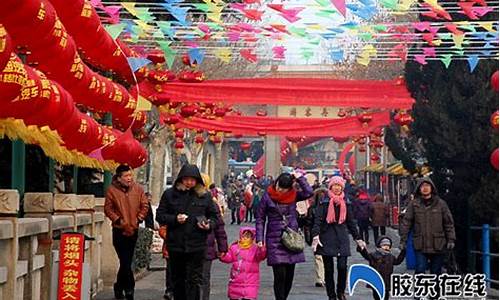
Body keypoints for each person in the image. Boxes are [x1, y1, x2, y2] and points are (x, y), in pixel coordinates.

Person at [156, 164, 219, 300]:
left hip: (197, 245)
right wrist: (175, 219)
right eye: (186, 179)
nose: (189, 183)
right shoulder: (170, 194)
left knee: (194, 280)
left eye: (192, 180)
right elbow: (160, 216)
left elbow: (215, 217)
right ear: (181, 179)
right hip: (176, 244)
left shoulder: (205, 196)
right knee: (177, 279)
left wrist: (208, 225)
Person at [255, 171, 313, 300]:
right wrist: (259, 238)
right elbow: (260, 218)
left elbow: (309, 192)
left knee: (289, 275)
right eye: (278, 186)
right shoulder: (267, 196)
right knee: (279, 275)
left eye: (283, 188)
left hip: (291, 238)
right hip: (274, 239)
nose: (280, 190)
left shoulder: (294, 195)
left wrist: (300, 178)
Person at [311, 176, 365, 300]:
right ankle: (331, 295)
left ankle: (341, 291)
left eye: (339, 186)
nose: (336, 188)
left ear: (342, 187)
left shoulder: (346, 202)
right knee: (328, 269)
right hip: (326, 236)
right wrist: (315, 235)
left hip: (342, 237)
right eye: (334, 185)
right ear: (330, 187)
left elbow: (351, 222)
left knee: (342, 266)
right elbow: (318, 220)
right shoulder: (324, 202)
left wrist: (358, 238)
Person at [104, 165, 149, 300]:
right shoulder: (112, 190)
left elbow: (144, 205)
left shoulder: (138, 189)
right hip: (119, 230)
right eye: (126, 176)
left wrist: (139, 218)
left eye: (130, 175)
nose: (129, 178)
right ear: (119, 178)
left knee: (126, 262)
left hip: (133, 229)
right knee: (125, 261)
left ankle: (120, 287)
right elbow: (108, 209)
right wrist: (118, 220)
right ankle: (129, 289)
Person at [399, 177, 455, 280]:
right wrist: (403, 240)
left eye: (427, 186)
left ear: (432, 188)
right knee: (420, 269)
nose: (425, 188)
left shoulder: (441, 204)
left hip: (438, 243)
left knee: (436, 271)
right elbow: (406, 222)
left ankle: (435, 293)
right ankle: (420, 292)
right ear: (419, 189)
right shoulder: (414, 204)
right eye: (422, 186)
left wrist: (451, 239)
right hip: (420, 244)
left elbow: (448, 223)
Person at [219, 227, 267, 300]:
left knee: (249, 296)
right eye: (243, 236)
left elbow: (261, 256)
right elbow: (228, 258)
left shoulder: (255, 248)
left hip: (250, 283)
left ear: (252, 238)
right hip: (236, 281)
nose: (245, 238)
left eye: (248, 236)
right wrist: (222, 255)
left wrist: (262, 248)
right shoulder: (234, 247)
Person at [202, 185, 229, 300]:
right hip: (187, 247)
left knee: (203, 278)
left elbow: (219, 226)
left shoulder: (210, 202)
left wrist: (222, 247)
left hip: (206, 246)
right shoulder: (184, 199)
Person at [305, 188, 328, 288]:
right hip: (326, 235)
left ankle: (320, 278)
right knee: (326, 258)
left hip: (316, 235)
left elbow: (308, 224)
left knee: (319, 257)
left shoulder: (312, 208)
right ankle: (323, 278)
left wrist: (309, 237)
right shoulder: (328, 207)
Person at [158, 225, 174, 300]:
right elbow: (162, 229)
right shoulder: (170, 214)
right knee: (170, 271)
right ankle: (169, 290)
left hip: (184, 249)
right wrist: (170, 237)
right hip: (170, 249)